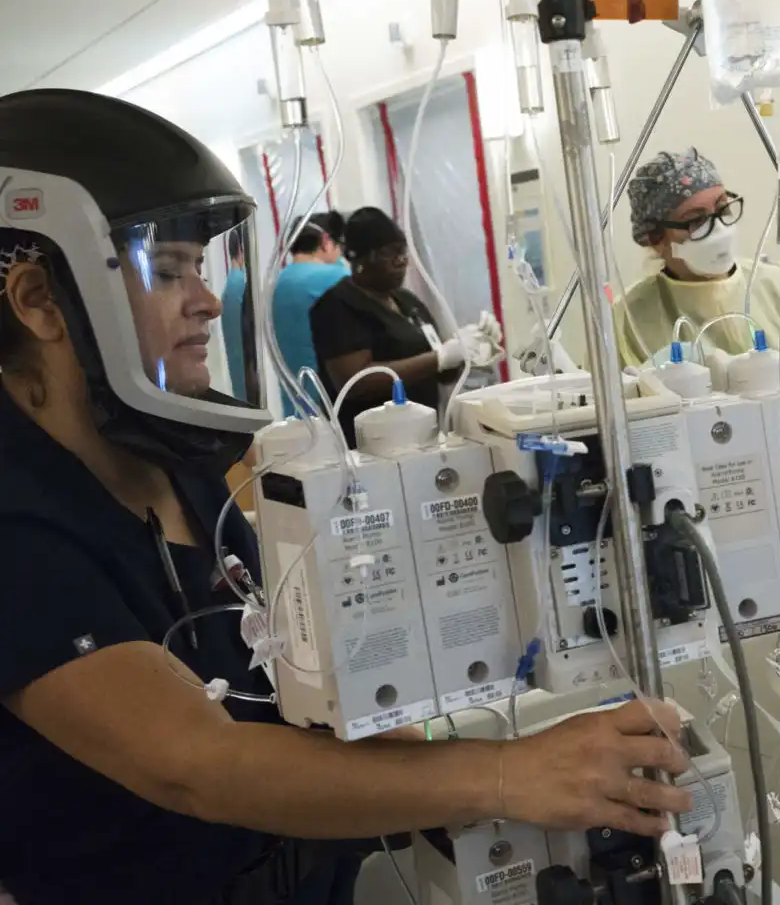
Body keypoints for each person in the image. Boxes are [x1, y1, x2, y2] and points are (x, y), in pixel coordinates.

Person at [0, 90, 691, 905]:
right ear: (40, 301)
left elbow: (298, 676)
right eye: (171, 270)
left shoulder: (180, 458)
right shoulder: (19, 523)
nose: (206, 300)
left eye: (202, 268)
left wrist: (479, 756)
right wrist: (510, 773)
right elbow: (198, 764)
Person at [614, 148, 780, 393]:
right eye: (696, 221)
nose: (718, 229)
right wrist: (636, 387)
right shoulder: (629, 317)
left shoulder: (775, 286)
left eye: (722, 209)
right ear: (656, 239)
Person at [309, 207, 500, 445]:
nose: (401, 260)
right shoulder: (337, 306)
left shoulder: (407, 302)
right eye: (389, 253)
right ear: (360, 259)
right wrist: (439, 357)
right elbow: (356, 383)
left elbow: (444, 374)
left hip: (422, 436)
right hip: (369, 445)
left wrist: (468, 349)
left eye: (402, 251)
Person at [272, 210, 350, 415]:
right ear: (326, 241)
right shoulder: (336, 277)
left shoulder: (278, 282)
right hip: (331, 405)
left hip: (295, 406)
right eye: (339, 245)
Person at [221, 228, 247, 401]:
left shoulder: (230, 284)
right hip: (244, 363)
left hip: (236, 362)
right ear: (241, 250)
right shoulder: (239, 284)